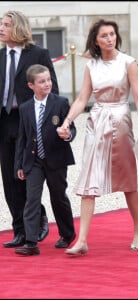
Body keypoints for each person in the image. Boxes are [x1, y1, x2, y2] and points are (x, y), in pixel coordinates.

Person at [59, 19, 138, 256]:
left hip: (121, 121)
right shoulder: (92, 66)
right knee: (89, 179)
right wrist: (68, 121)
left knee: (128, 181)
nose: (110, 38)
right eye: (104, 36)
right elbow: (82, 99)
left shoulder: (128, 62)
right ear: (96, 41)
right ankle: (82, 240)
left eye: (112, 34)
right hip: (96, 123)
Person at [0, 10, 58, 248]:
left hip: (29, 122)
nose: (1, 28)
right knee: (9, 180)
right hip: (4, 121)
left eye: (5, 25)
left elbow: (51, 91)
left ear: (19, 27)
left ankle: (38, 219)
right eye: (1, 24)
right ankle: (20, 231)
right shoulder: (0, 55)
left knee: (26, 176)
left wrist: (51, 123)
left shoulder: (38, 54)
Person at [13, 64, 76, 256]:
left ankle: (67, 234)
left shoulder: (60, 103)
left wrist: (68, 135)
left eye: (48, 80)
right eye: (42, 82)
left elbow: (71, 128)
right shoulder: (24, 108)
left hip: (56, 159)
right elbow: (22, 138)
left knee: (58, 197)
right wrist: (20, 164)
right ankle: (31, 242)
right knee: (32, 200)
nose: (47, 84)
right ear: (31, 85)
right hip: (34, 161)